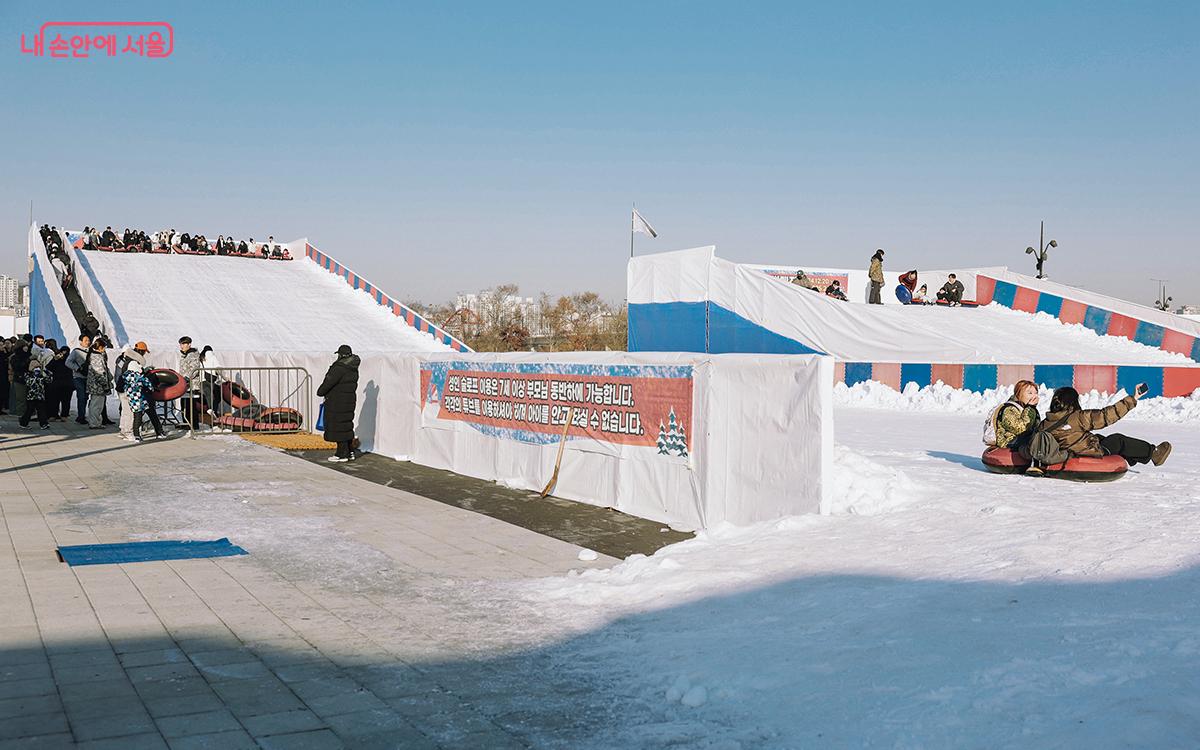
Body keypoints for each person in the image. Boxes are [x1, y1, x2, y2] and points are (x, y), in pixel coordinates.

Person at [1043, 386, 1171, 469]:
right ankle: (1153, 453)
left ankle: (1131, 457)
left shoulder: (1046, 423)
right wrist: (1133, 398)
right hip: (1086, 453)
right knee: (1118, 440)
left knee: (1100, 438)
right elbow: (1106, 416)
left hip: (1071, 450)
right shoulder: (1077, 417)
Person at [317, 344, 360, 462]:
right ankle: (350, 451)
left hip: (337, 401)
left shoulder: (339, 368)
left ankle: (341, 454)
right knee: (346, 425)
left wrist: (320, 392)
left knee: (338, 426)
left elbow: (328, 382)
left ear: (341, 355)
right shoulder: (353, 367)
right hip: (349, 400)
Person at [986, 380, 1041, 452]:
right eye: (1030, 393)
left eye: (1036, 393)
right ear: (1019, 394)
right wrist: (1030, 408)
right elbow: (1021, 429)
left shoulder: (1028, 409)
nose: (1034, 396)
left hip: (1022, 440)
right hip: (1008, 441)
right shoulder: (1009, 409)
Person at [85, 339, 113, 428]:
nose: (104, 349)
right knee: (96, 405)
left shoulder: (95, 355)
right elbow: (99, 372)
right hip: (97, 386)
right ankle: (94, 423)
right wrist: (105, 384)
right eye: (104, 347)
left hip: (96, 385)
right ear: (100, 347)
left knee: (97, 405)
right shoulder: (96, 357)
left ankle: (95, 422)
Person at [19, 354, 51, 430]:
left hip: (40, 396)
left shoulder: (41, 376)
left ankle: (44, 424)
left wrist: (47, 372)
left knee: (41, 410)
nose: (37, 369)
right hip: (31, 396)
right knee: (29, 410)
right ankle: (23, 423)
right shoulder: (28, 375)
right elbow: (29, 383)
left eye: (38, 367)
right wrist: (35, 377)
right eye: (36, 368)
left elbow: (49, 380)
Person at [66, 334, 91, 424]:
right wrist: (77, 368)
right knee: (81, 396)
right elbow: (68, 362)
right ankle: (81, 417)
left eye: (88, 340)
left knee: (86, 397)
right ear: (80, 342)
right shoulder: (76, 351)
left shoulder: (91, 351)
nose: (88, 342)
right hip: (78, 377)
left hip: (88, 377)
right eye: (85, 340)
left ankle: (83, 415)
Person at [47, 343, 73, 421]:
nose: (64, 354)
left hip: (67, 383)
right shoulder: (56, 360)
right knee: (55, 400)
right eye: (62, 352)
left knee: (66, 401)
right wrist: (54, 359)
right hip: (56, 383)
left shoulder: (69, 360)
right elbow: (48, 367)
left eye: (66, 352)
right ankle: (54, 415)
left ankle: (64, 415)